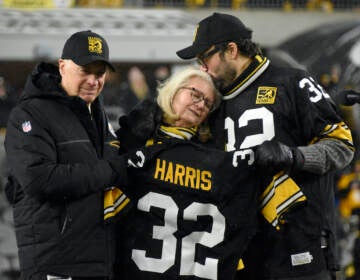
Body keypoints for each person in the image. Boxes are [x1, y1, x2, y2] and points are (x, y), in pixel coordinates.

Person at [175, 12, 355, 280]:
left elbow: (342, 147)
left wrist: (293, 156)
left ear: (231, 50)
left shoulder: (293, 82)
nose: (202, 67)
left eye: (205, 57)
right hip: (242, 253)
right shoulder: (213, 101)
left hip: (299, 247)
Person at [109, 66, 304, 279]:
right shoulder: (131, 139)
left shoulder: (221, 158)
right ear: (173, 89)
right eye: (195, 94)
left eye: (208, 103)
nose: (201, 104)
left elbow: (288, 208)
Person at [4, 30, 128, 280]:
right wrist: (111, 171)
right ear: (62, 66)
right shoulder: (29, 114)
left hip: (97, 261)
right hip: (56, 266)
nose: (93, 80)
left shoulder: (98, 115)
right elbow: (40, 180)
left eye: (100, 73)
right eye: (86, 71)